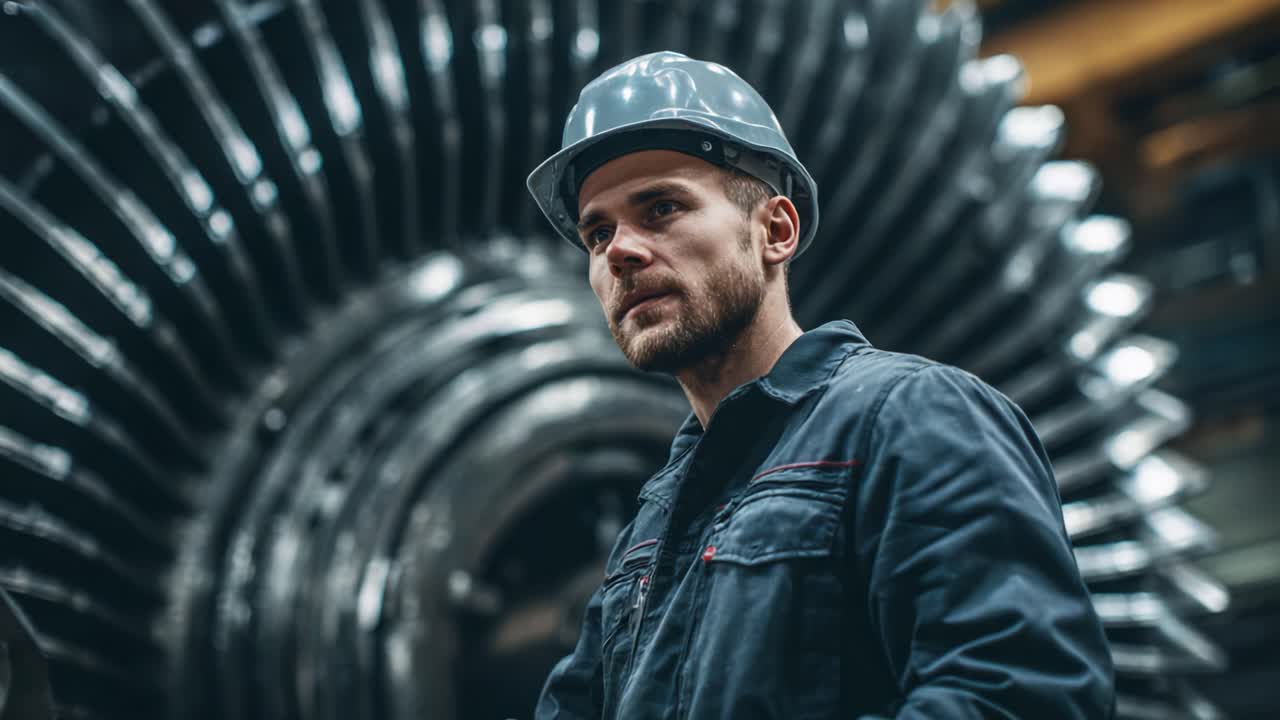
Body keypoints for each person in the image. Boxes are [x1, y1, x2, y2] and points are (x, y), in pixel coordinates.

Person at [526, 51, 1114, 719]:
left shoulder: (910, 418)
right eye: (597, 233)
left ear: (775, 231)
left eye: (662, 207)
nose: (619, 253)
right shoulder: (653, 526)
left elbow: (1017, 694)